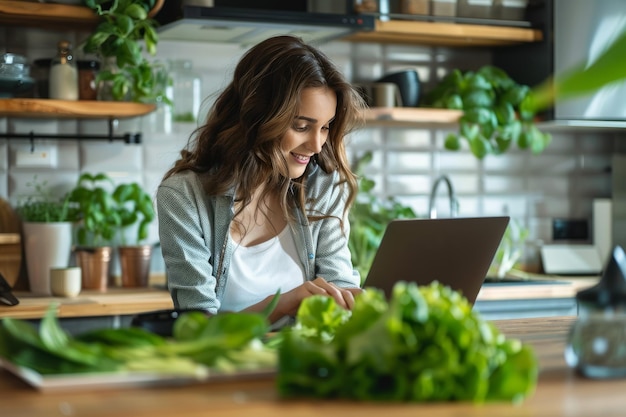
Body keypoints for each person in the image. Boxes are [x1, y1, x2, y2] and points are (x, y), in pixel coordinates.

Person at [156, 35, 366, 324]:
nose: (317, 146)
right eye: (301, 126)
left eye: (326, 127)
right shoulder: (183, 196)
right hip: (228, 368)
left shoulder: (323, 187)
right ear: (257, 117)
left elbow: (338, 290)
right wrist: (283, 303)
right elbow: (197, 326)